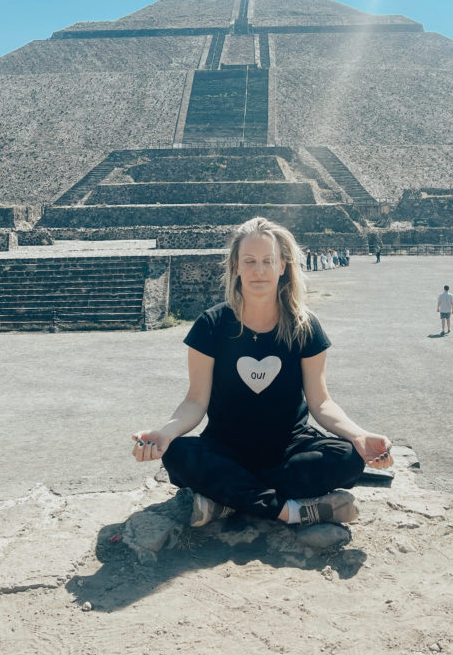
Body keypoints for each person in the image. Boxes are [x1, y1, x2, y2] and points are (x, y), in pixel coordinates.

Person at [131, 216, 393, 528]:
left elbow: (321, 402)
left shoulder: (305, 326)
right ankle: (291, 511)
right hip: (225, 445)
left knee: (349, 457)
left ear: (283, 266)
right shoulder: (211, 326)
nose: (258, 270)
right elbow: (195, 401)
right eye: (250, 261)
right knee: (176, 453)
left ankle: (228, 499)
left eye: (268, 261)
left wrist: (359, 435)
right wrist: (166, 433)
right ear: (236, 266)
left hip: (288, 449)